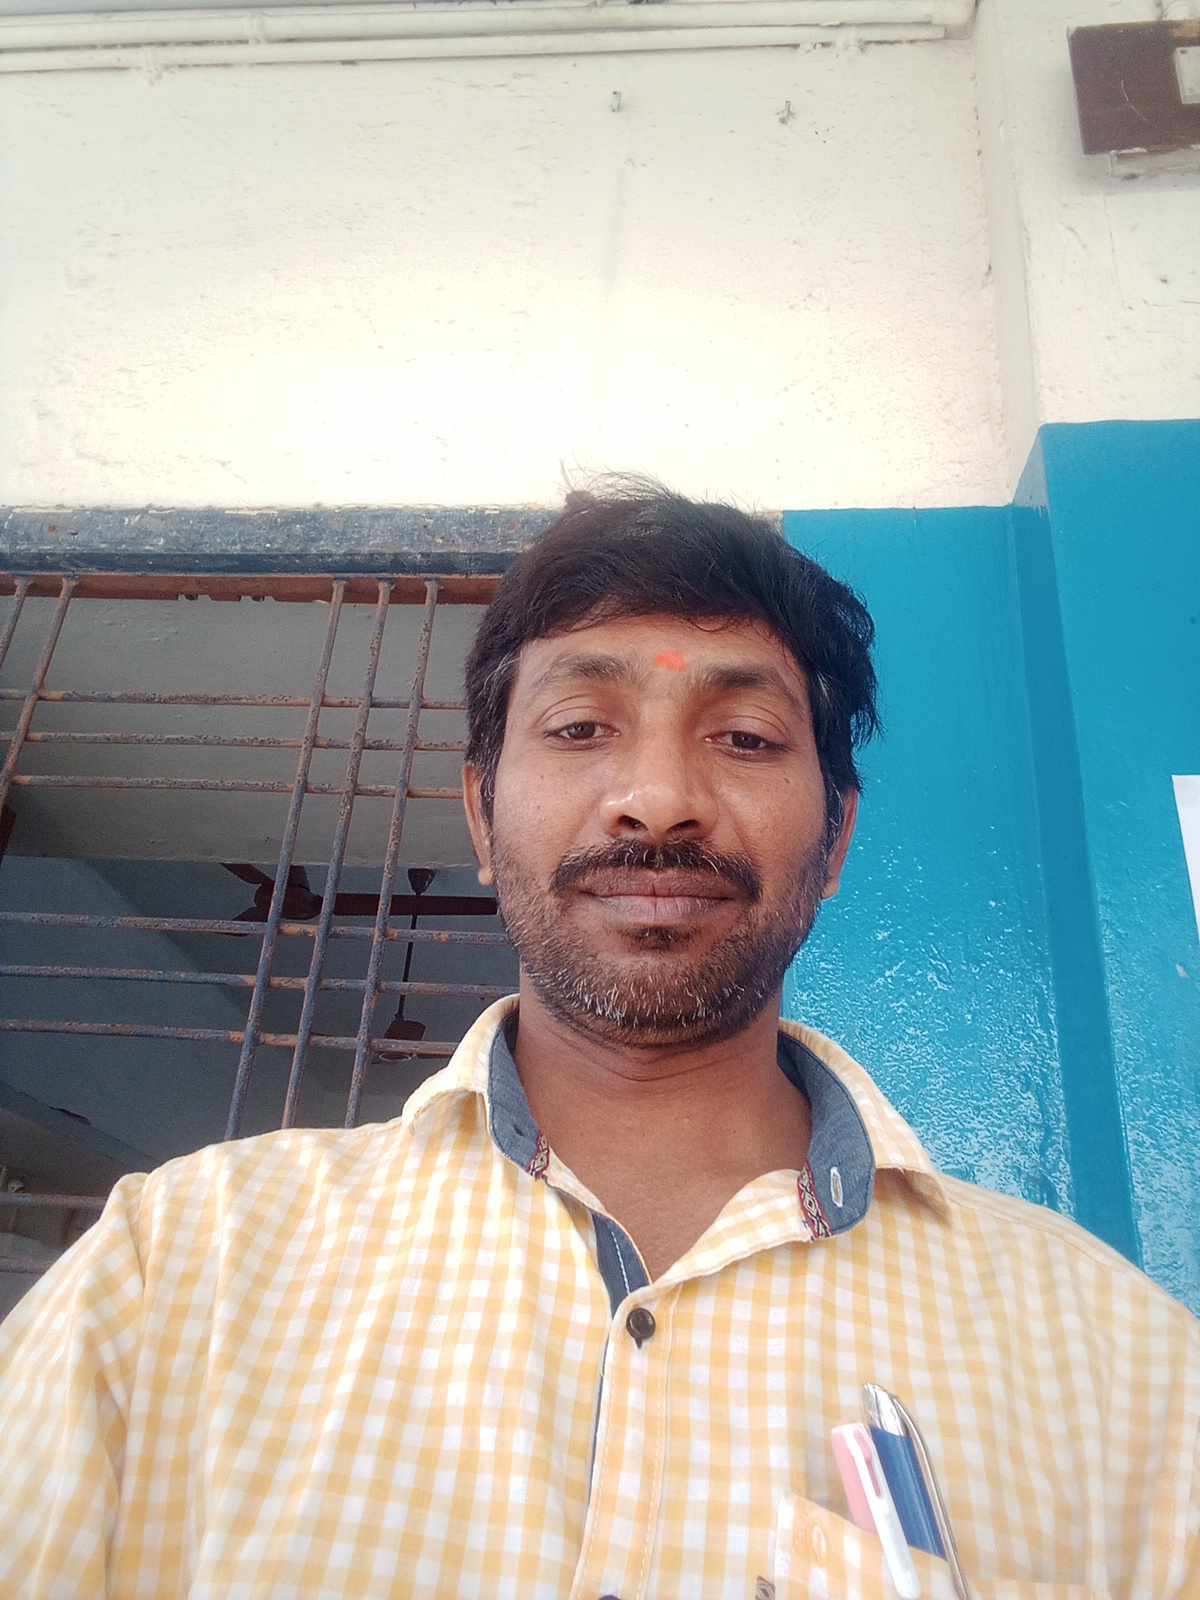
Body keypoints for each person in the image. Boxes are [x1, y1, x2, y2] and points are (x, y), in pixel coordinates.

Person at [0, 479, 1196, 1600]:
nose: (657, 798)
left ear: (835, 842)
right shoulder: (175, 1269)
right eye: (579, 726)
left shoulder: (1118, 1362)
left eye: (745, 737)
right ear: (481, 814)